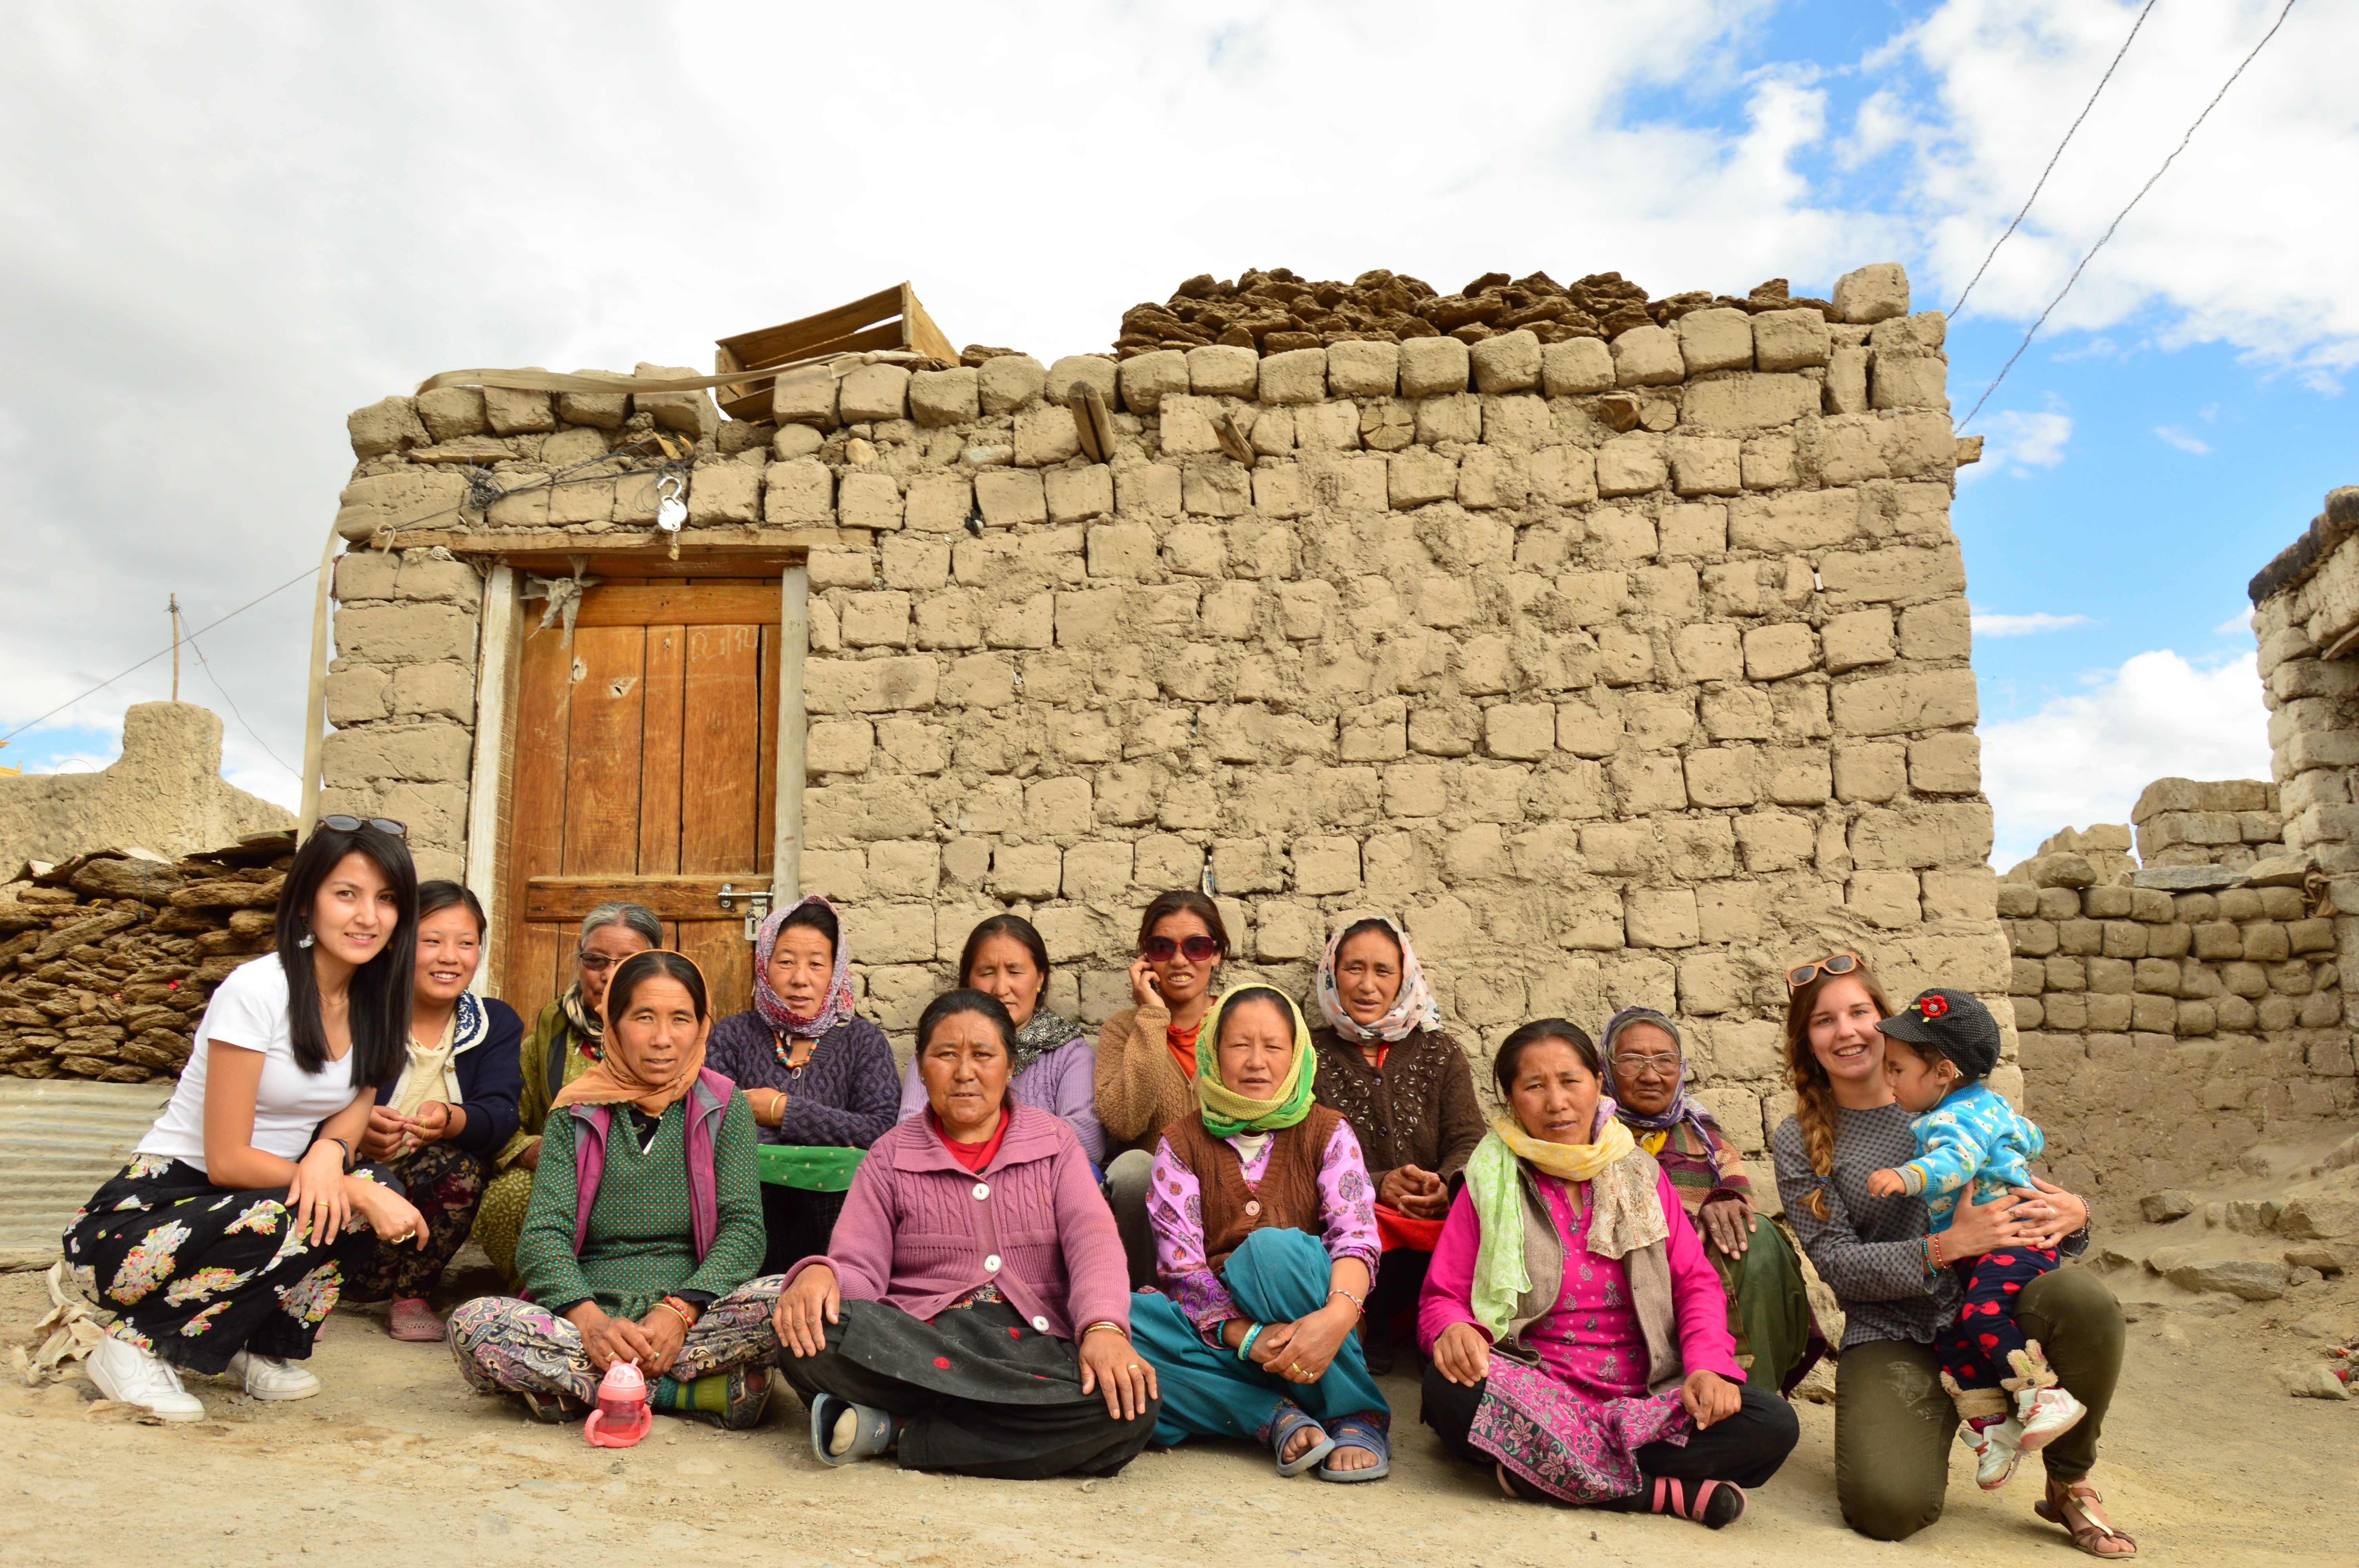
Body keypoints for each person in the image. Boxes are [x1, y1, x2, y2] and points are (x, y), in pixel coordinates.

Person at [62, 816, 430, 1421]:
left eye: (387, 900)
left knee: (364, 1193)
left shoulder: (377, 997)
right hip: (148, 1221)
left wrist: (330, 1156)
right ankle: (131, 1346)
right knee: (316, 1208)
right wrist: (347, 1187)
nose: (368, 916)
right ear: (308, 903)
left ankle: (247, 1344)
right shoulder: (258, 989)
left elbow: (351, 1113)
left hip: (256, 1198)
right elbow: (229, 1159)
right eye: (347, 894)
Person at [1768, 953, 2132, 1556]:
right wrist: (1945, 1247)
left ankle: (2069, 1482)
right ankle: (1967, 1417)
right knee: (1888, 1509)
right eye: (1824, 1021)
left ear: (1887, 1021)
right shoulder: (1799, 1140)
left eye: (1860, 1011)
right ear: (1806, 1041)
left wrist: (2075, 1217)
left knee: (2083, 1299)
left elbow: (2012, 1190)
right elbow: (1836, 1265)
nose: (1848, 1031)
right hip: (1895, 1328)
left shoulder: (1948, 1094)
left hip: (1995, 1308)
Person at [1420, 1019, 1797, 1528]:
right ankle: (1658, 1494)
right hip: (1532, 1392)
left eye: (1570, 1081)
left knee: (1771, 1425)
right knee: (1449, 1391)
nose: (1556, 1102)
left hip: (1645, 1400)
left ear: (1598, 1084)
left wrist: (1710, 1366)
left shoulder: (1642, 1174)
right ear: (1512, 1099)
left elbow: (1695, 1283)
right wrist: (1453, 1329)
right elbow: (1442, 1295)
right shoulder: (1490, 1181)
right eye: (1534, 1086)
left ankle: (1535, 1473)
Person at [772, 989, 1158, 1477]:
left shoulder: (1054, 1143)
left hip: (1030, 1347)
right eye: (945, 1055)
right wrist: (819, 1276)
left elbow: (1093, 1243)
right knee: (802, 1338)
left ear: (1010, 1065)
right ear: (920, 1064)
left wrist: (1103, 1328)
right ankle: (997, 1428)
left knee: (1134, 1406)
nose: (964, 1072)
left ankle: (899, 1431)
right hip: (921, 1340)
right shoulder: (890, 1154)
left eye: (982, 1055)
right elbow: (858, 1268)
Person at [447, 951, 779, 1430]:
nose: (663, 1039)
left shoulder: (724, 1105)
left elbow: (744, 1229)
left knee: (790, 1303)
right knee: (475, 1324)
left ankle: (581, 1389)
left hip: (691, 1315)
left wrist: (679, 1311)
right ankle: (688, 1391)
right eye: (643, 1017)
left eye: (680, 1019)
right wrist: (590, 1323)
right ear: (614, 1023)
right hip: (588, 1317)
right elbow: (543, 1234)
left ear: (701, 1024)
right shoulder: (575, 1109)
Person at [1128, 985, 1390, 1481]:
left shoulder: (1328, 1132)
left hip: (1316, 1327)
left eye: (1272, 1046)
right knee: (1122, 1323)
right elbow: (1182, 1271)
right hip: (1222, 1338)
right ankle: (1270, 1414)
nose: (1255, 1062)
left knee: (1270, 1253)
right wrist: (1249, 1337)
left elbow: (1355, 1238)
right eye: (1238, 1045)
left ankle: (1353, 1411)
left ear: (1295, 1057)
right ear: (1213, 1052)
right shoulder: (1179, 1143)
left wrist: (1335, 1318)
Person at [1865, 987, 2082, 1489]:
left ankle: (2043, 1393)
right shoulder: (1983, 1106)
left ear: (1942, 1072)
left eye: (1896, 1069)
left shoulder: (1954, 1117)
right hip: (1982, 1250)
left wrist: (1906, 1176)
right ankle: (1992, 1427)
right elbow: (2030, 1136)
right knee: (1955, 1336)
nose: (1888, 1078)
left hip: (2014, 1243)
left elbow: (1954, 1163)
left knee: (1981, 1314)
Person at [1602, 1006, 1824, 1396]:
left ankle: (1752, 1395)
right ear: (1606, 1067)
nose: (1651, 1075)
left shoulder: (1702, 1134)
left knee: (1760, 1238)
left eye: (1664, 1061)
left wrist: (1724, 1201)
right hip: (1620, 1289)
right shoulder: (1588, 1135)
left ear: (1682, 1067)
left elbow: (1741, 1207)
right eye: (1632, 1060)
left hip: (1699, 1287)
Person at [346, 881, 523, 1342]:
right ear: (400, 943)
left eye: (466, 943)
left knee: (462, 1166)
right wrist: (357, 1129)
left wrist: (450, 1118)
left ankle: (411, 1293)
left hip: (417, 1211)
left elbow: (502, 1115)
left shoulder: (493, 1023)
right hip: (347, 1197)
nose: (450, 957)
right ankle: (312, 1284)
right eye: (432, 941)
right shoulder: (358, 1012)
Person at [1306, 914, 1482, 1372]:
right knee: (1356, 1227)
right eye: (1353, 968)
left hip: (1431, 1213)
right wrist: (1378, 1184)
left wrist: (1444, 1183)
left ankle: (1438, 1327)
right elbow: (1299, 1148)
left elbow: (1469, 1138)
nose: (1367, 985)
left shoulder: (1440, 1052)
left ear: (1404, 979)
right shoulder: (1308, 1054)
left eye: (1383, 971)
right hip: (1352, 1211)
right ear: (1331, 973)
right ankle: (1370, 1327)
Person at [706, 896, 898, 1274]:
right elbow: (710, 1124)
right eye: (786, 962)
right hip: (745, 1228)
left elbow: (882, 1132)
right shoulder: (733, 1035)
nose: (800, 979)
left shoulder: (863, 1042)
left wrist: (780, 1111)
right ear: (764, 964)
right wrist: (829, 1139)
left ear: (836, 970)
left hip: (839, 1237)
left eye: (816, 964)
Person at [473, 901, 661, 1287]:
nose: (609, 975)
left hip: (651, 1184)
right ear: (579, 963)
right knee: (511, 1193)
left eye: (628, 961)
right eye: (595, 960)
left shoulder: (677, 1034)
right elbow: (505, 1120)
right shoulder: (549, 1036)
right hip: (564, 1183)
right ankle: (544, 1294)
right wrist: (530, 1150)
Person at [1095, 890, 1229, 1288]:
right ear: (1145, 958)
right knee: (1133, 1168)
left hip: (1230, 1186)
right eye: (1161, 947)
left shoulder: (1239, 1020)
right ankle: (1141, 1306)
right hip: (1154, 1200)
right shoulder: (1123, 1029)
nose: (1179, 960)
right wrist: (1152, 1016)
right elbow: (1124, 1121)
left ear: (1217, 953)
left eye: (1196, 946)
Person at [895, 915, 1104, 1165]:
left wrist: (987, 1148)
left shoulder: (1068, 1052)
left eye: (1015, 972)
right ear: (968, 980)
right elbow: (910, 1131)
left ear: (1040, 979)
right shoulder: (938, 1048)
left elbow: (1087, 1140)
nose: (1001, 988)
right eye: (987, 973)